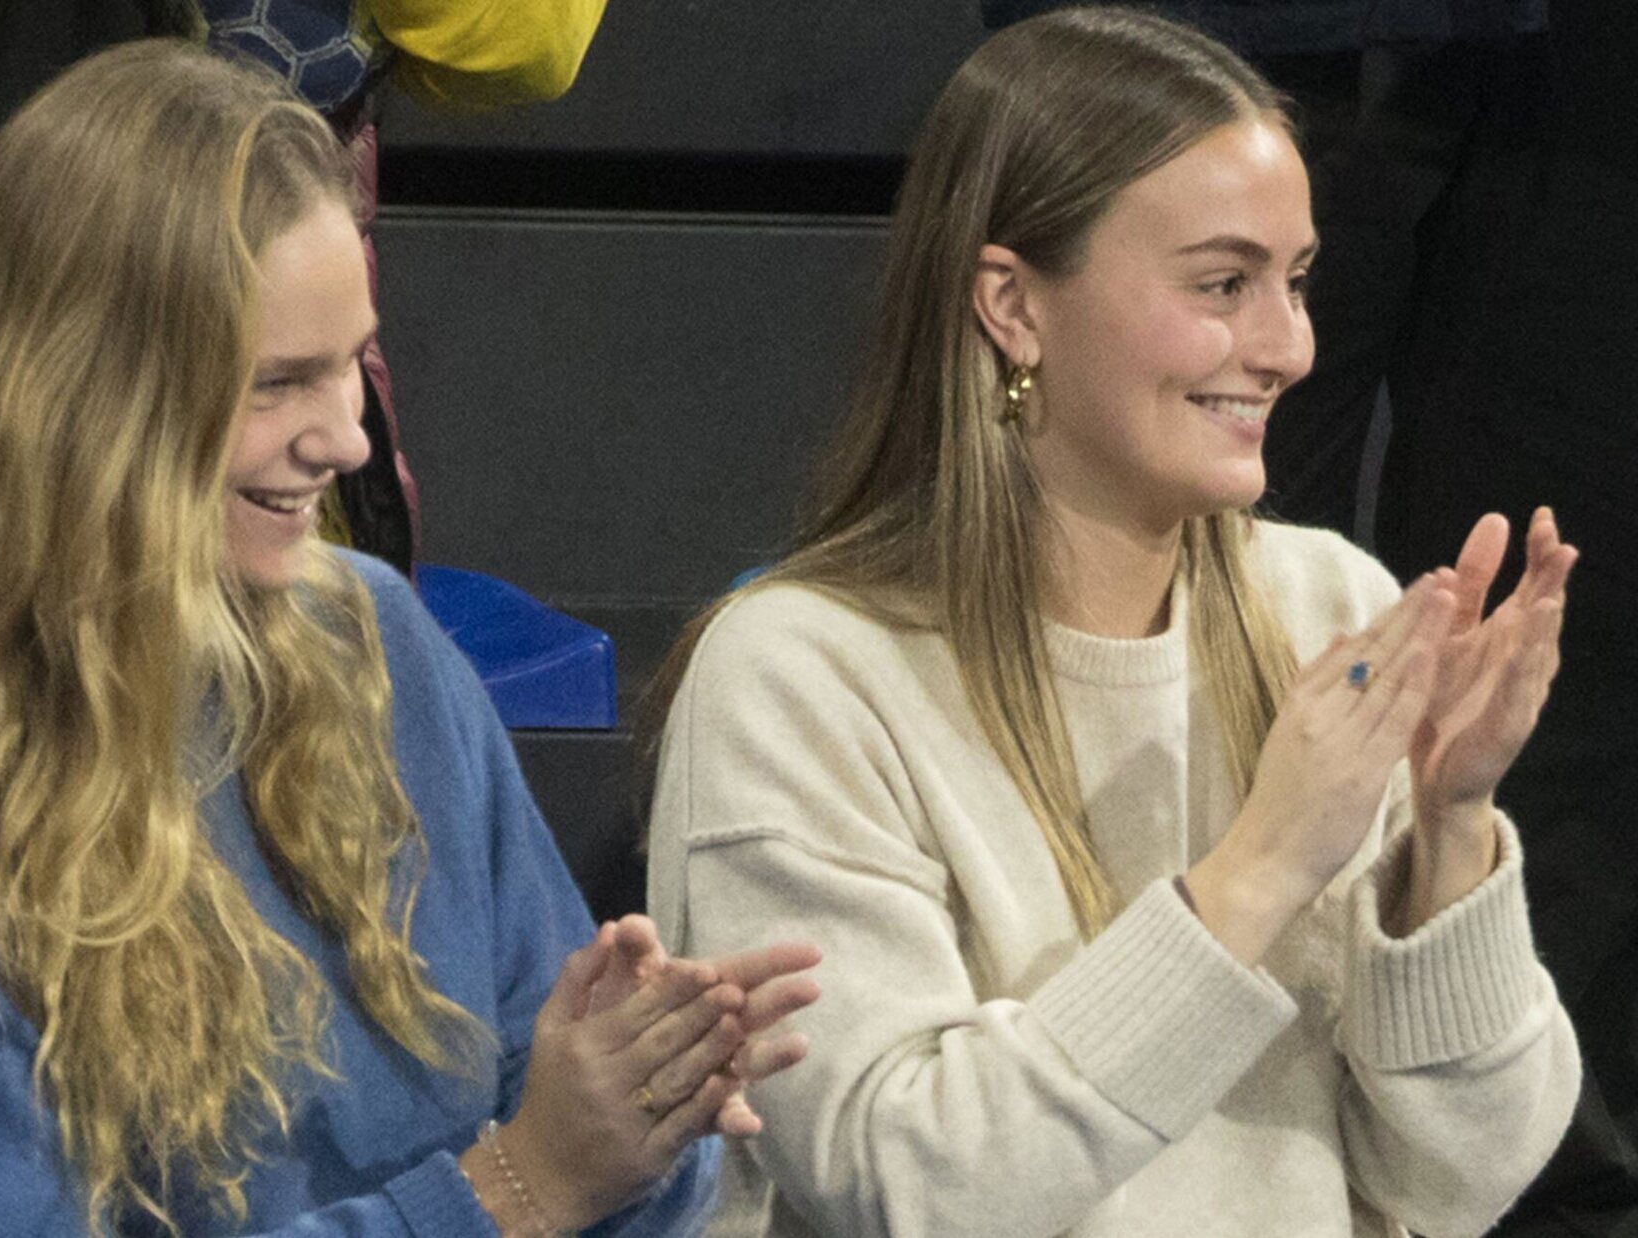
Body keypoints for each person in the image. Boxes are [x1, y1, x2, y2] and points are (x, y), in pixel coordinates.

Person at [0, 41, 818, 1237]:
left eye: (350, 363)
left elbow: (579, 1167)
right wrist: (514, 1190)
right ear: (84, 398)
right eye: (277, 384)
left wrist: (644, 1112)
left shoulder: (381, 644)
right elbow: (527, 1184)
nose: (347, 439)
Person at [646, 8, 1580, 1235]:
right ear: (1012, 306)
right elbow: (906, 1184)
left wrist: (1448, 834)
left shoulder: (1332, 607)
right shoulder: (798, 675)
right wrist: (1260, 865)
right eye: (1222, 283)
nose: (1288, 347)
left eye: (1295, 282)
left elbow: (1462, 1177)